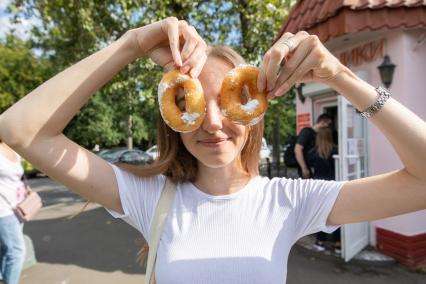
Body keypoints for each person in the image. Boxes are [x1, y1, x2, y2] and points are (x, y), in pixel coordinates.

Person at [0, 17, 425, 283]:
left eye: (228, 103)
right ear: (173, 117)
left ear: (255, 110)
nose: (213, 122)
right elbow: (20, 131)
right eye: (192, 104)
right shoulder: (147, 198)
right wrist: (130, 44)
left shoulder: (289, 200)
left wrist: (342, 77)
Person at [306, 127, 340, 253]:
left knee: (320, 215)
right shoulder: (336, 150)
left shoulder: (312, 153)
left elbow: (312, 170)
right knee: (336, 216)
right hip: (334, 188)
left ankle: (320, 242)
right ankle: (338, 244)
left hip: (319, 189)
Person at [0, 140, 27, 284]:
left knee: (8, 249)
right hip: (3, 210)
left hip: (19, 207)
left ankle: (3, 277)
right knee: (17, 252)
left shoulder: (12, 147)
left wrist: (25, 188)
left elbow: (17, 177)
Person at [294, 113, 332, 178]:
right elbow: (297, 149)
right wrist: (304, 168)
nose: (328, 127)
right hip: (307, 169)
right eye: (328, 125)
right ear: (322, 122)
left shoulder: (318, 134)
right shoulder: (307, 132)